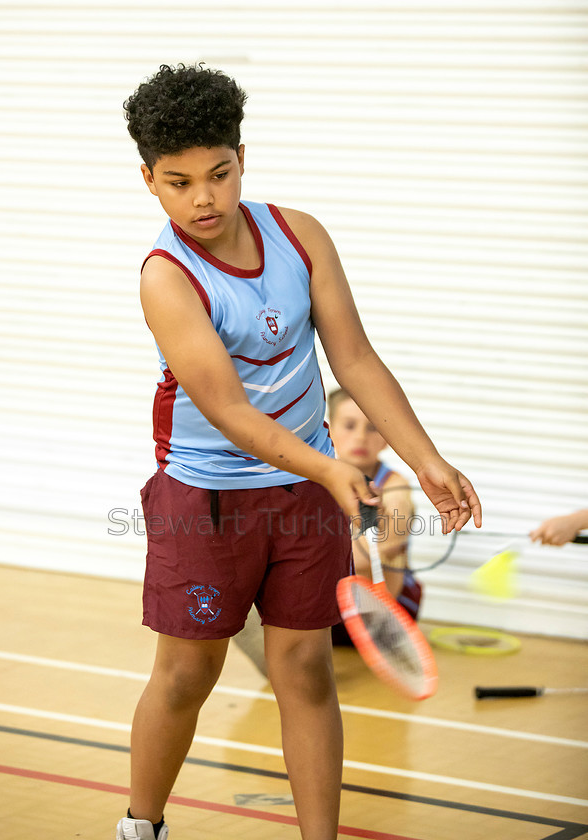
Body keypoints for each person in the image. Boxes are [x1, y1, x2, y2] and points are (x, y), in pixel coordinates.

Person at [117, 63, 481, 840]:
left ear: (242, 156)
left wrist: (426, 459)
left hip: (307, 490)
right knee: (188, 675)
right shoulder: (166, 278)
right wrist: (331, 469)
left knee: (307, 669)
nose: (204, 198)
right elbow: (232, 413)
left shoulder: (299, 235)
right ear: (148, 180)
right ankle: (140, 828)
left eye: (219, 174)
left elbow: (354, 359)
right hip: (208, 496)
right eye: (179, 183)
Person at [327, 387, 423, 620]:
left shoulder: (394, 487)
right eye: (350, 426)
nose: (360, 437)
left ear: (387, 437)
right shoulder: (319, 477)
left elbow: (374, 553)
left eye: (372, 428)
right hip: (332, 603)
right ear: (328, 430)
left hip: (383, 612)